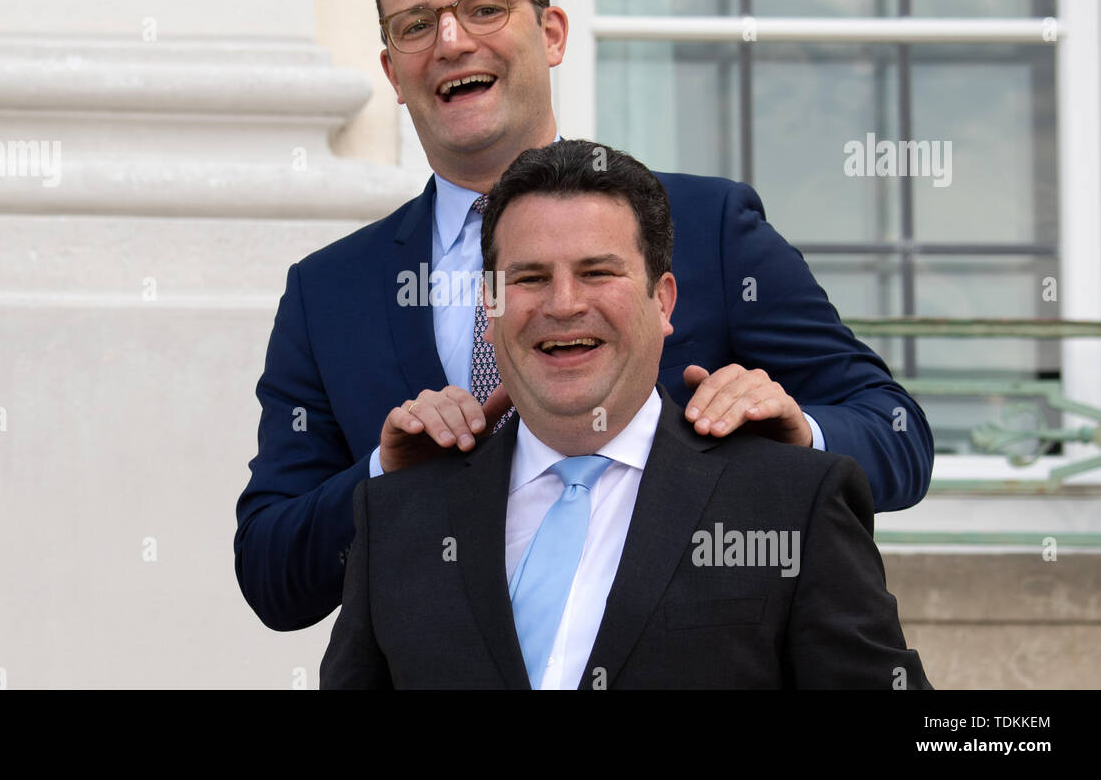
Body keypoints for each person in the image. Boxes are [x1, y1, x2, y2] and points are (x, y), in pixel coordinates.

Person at [236, 0, 933, 632]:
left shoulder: (709, 229)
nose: (450, 40)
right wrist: (383, 473)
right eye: (416, 24)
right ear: (393, 72)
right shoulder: (328, 294)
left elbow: (897, 434)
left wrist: (799, 436)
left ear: (552, 33)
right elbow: (271, 573)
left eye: (484, 8)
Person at [320, 140, 930, 689]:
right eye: (530, 277)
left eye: (598, 273)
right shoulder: (400, 515)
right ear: (492, 304)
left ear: (662, 300)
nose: (563, 304)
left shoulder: (791, 501)